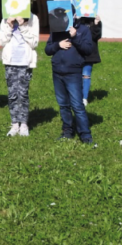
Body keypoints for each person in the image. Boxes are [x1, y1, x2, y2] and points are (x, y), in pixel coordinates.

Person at [45, 9, 93, 144]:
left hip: (73, 72)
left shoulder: (83, 30)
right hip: (57, 71)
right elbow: (48, 50)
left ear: (74, 15)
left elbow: (88, 50)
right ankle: (67, 131)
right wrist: (58, 45)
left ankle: (85, 135)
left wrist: (75, 37)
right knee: (63, 104)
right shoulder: (56, 30)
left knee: (77, 105)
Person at [0, 4, 40, 137]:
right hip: (10, 62)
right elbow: (2, 41)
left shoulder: (33, 18)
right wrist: (9, 26)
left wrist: (22, 25)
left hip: (25, 62)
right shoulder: (6, 19)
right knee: (12, 94)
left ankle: (24, 124)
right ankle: (15, 123)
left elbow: (34, 43)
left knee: (23, 94)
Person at [79, 14, 102, 107]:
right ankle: (75, 96)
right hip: (77, 52)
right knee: (75, 75)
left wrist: (96, 24)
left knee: (86, 75)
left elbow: (96, 36)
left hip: (89, 53)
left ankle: (84, 98)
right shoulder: (77, 20)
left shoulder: (95, 20)